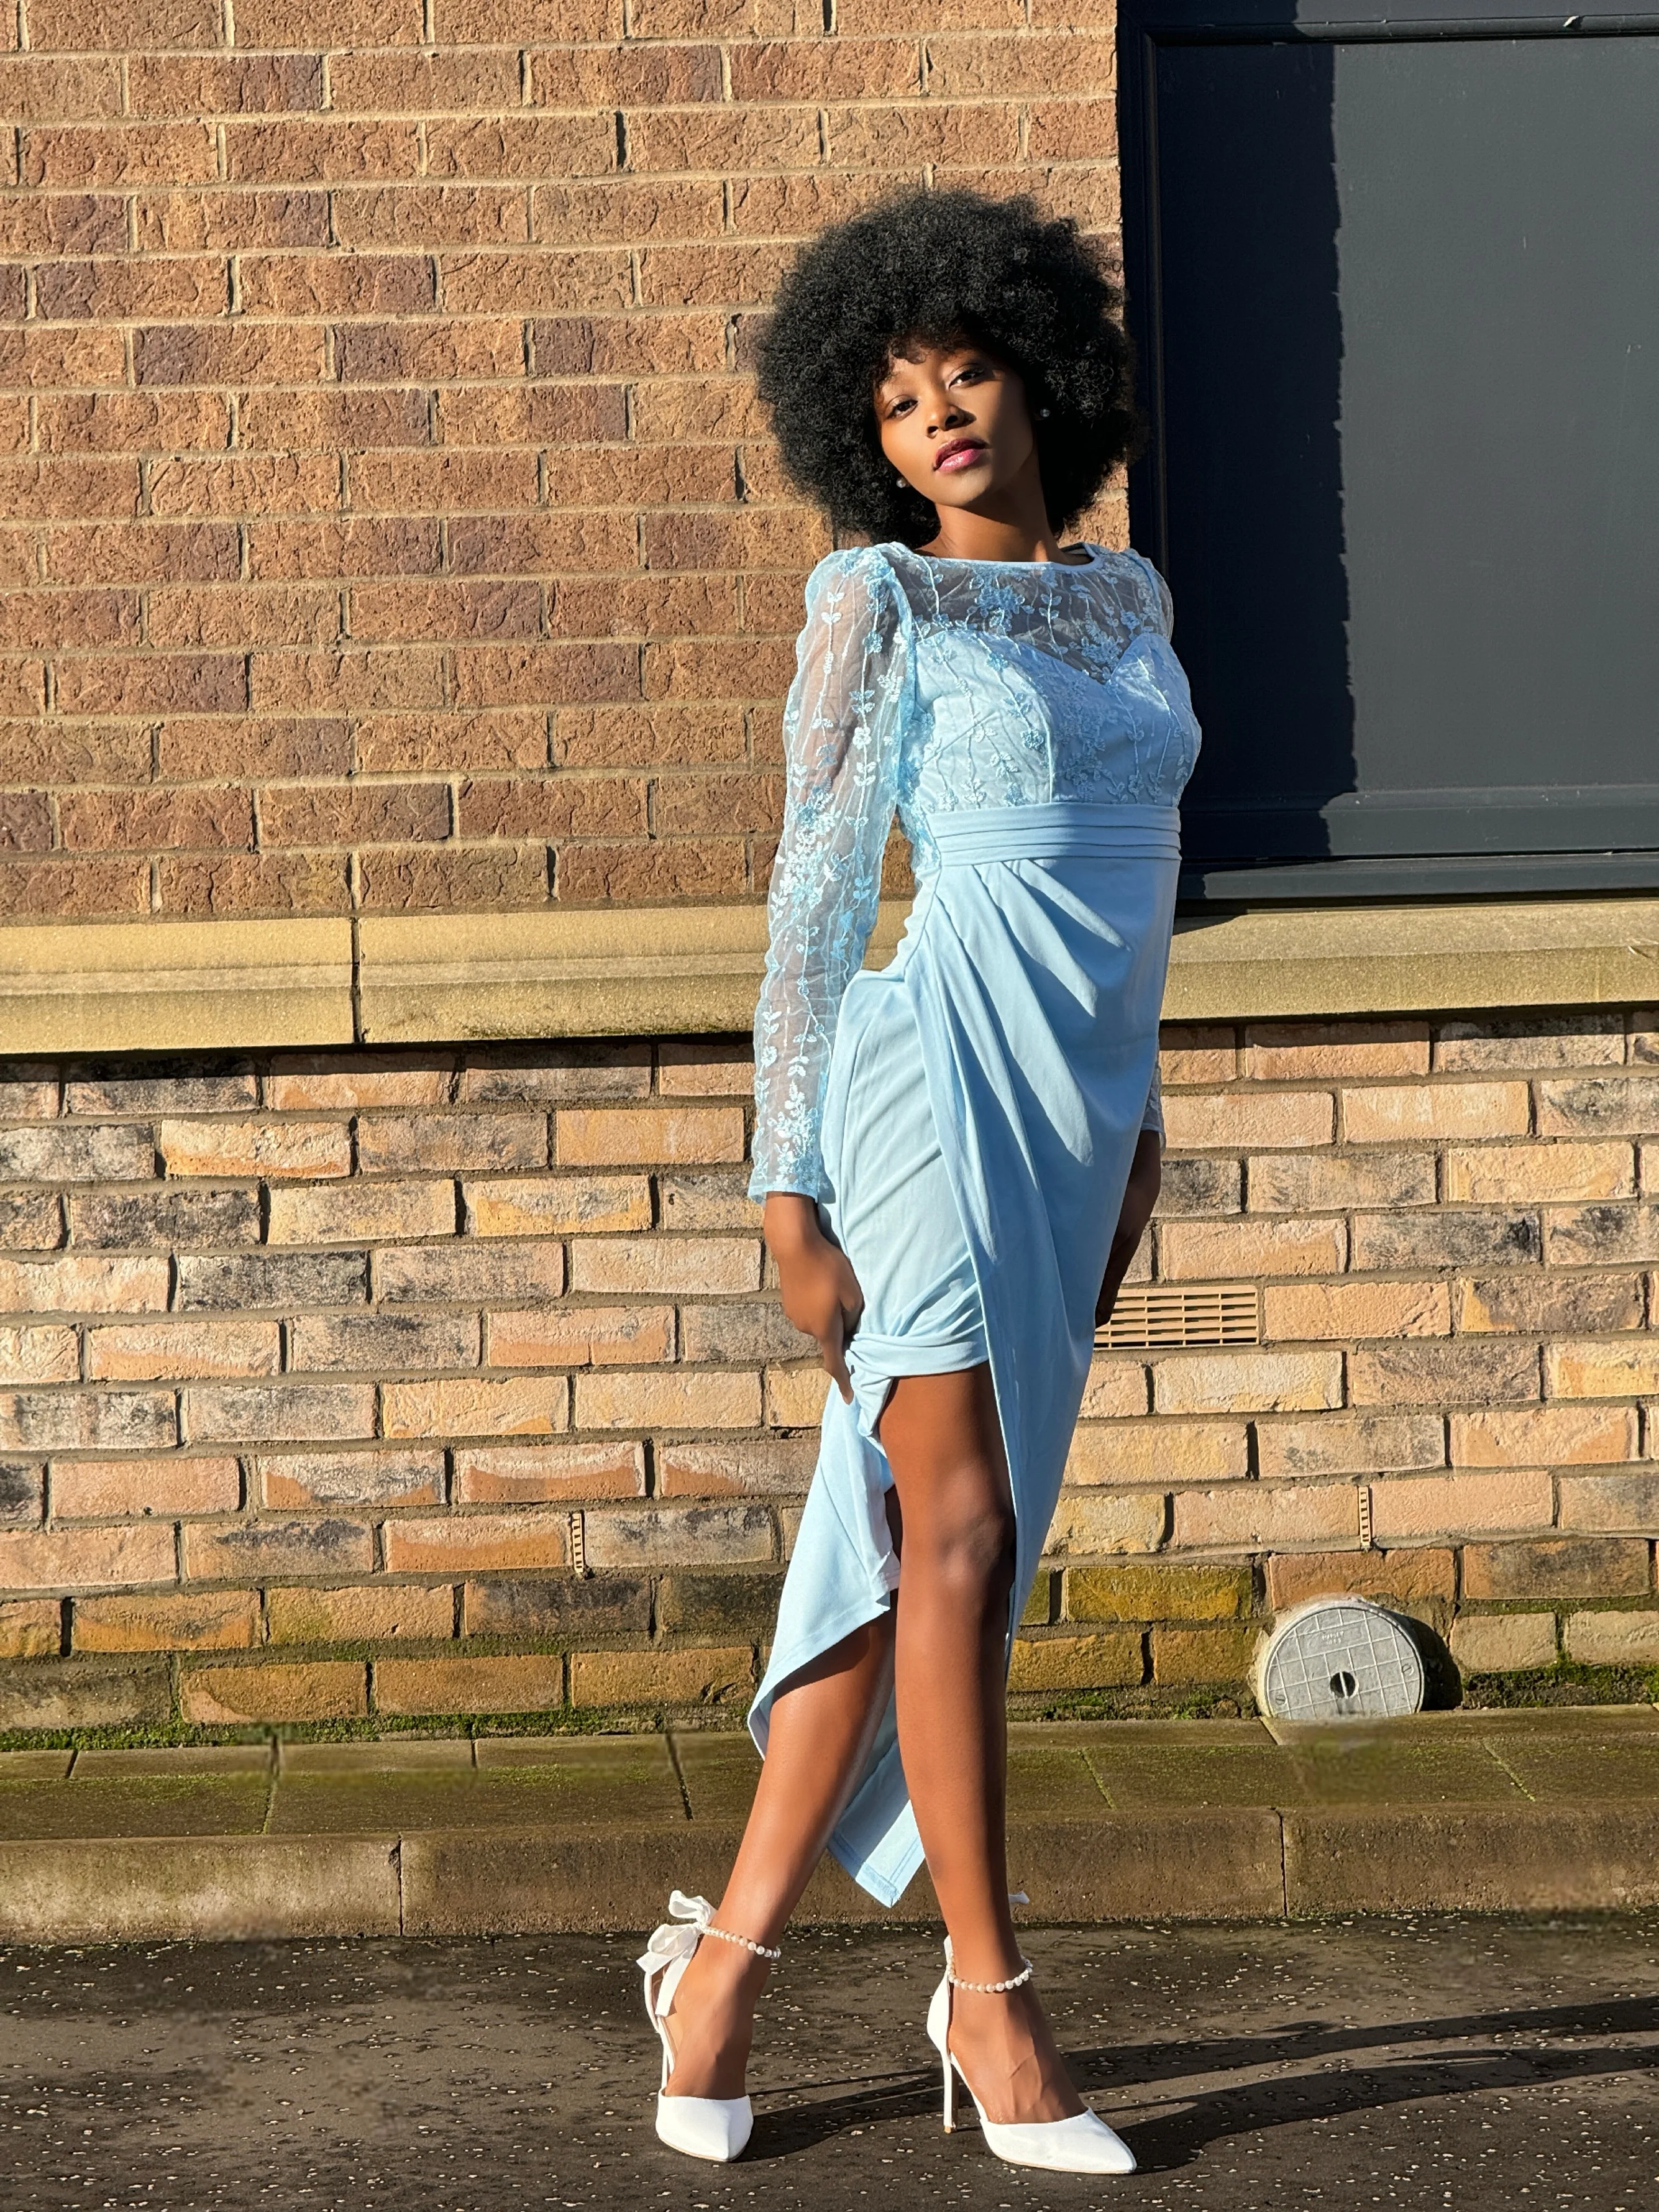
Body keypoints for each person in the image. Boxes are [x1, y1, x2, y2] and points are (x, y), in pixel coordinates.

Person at [636, 188, 1201, 2173]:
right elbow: (811, 898)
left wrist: (1142, 1133)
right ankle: (996, 2004)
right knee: (958, 1534)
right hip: (927, 1089)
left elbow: (1145, 904)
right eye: (892, 400)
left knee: (891, 1557)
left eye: (965, 370)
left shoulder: (1127, 603)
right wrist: (781, 1188)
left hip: (1074, 1118)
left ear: (1041, 371)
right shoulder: (876, 607)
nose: (939, 416)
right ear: (858, 441)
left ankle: (721, 1971)